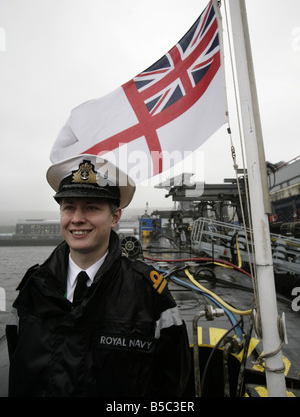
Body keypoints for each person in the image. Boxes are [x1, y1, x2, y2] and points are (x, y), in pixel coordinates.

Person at [6, 154, 191, 397]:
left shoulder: (148, 294)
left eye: (91, 207)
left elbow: (174, 386)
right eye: (69, 207)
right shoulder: (33, 288)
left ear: (115, 217)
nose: (77, 219)